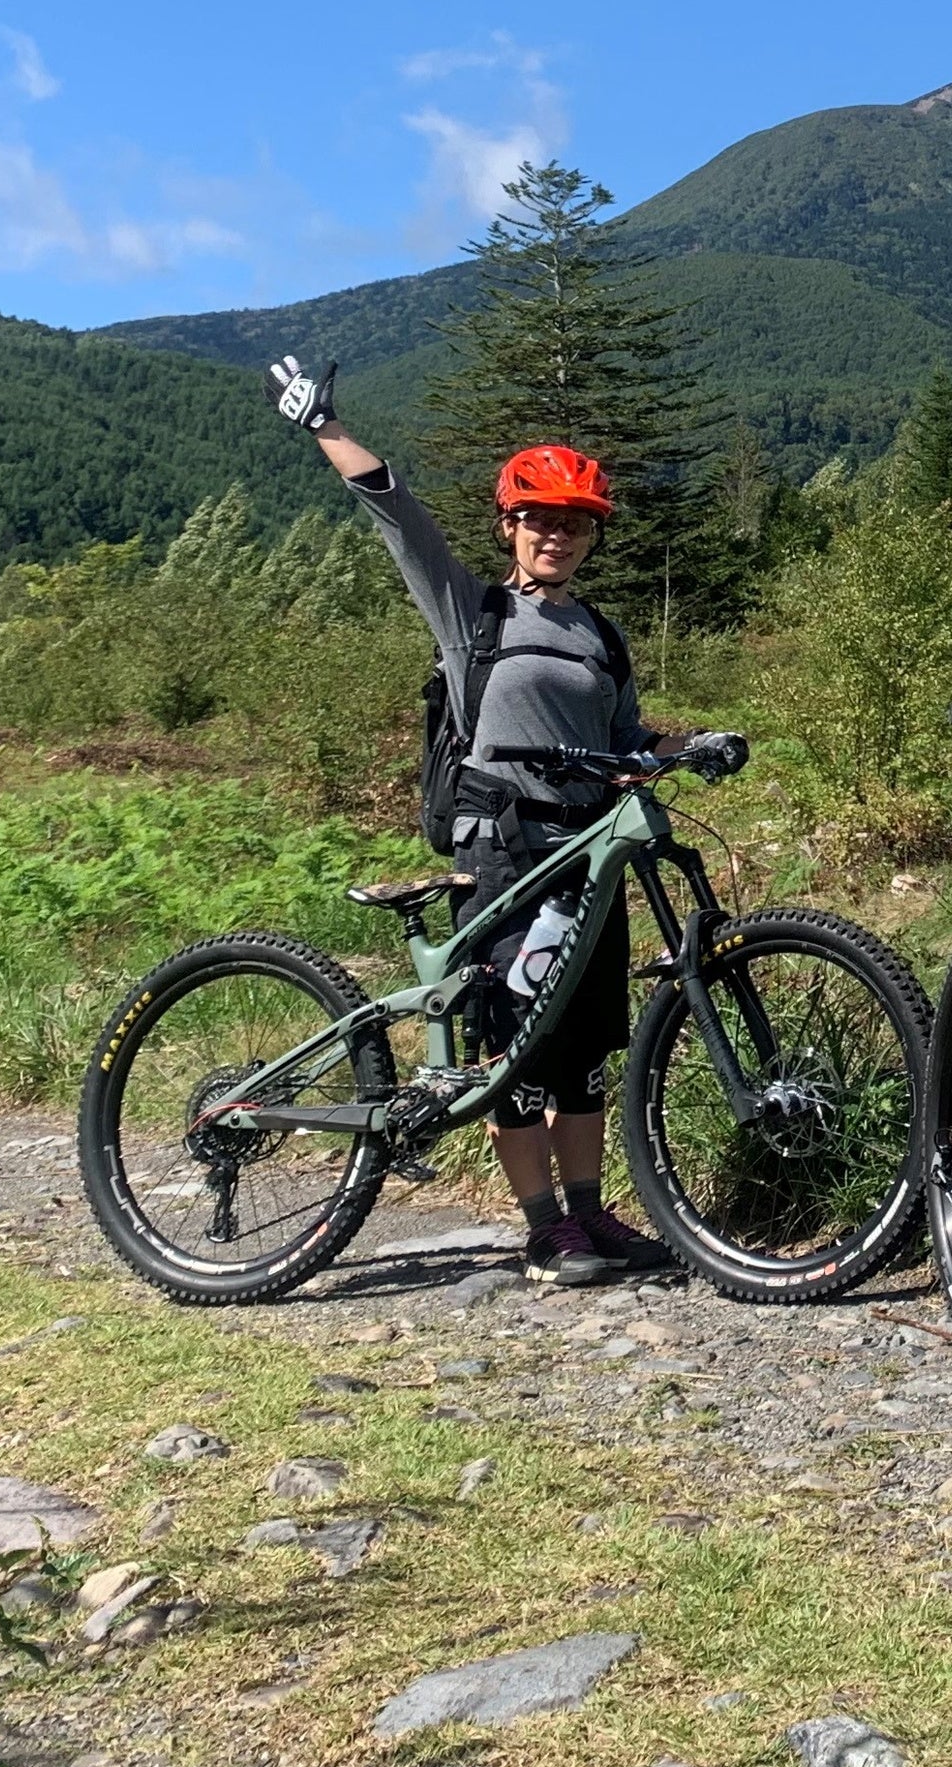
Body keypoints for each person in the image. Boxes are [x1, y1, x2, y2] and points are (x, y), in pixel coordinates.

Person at [262, 360, 674, 1292]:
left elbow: (623, 740)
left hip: (587, 852)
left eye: (574, 522)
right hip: (503, 849)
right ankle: (542, 1229)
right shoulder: (473, 613)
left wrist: (680, 751)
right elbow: (398, 516)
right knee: (511, 1046)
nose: (556, 534)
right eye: (539, 518)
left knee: (581, 1048)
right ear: (509, 526)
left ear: (591, 536)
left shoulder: (601, 636)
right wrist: (326, 425)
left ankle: (588, 1213)